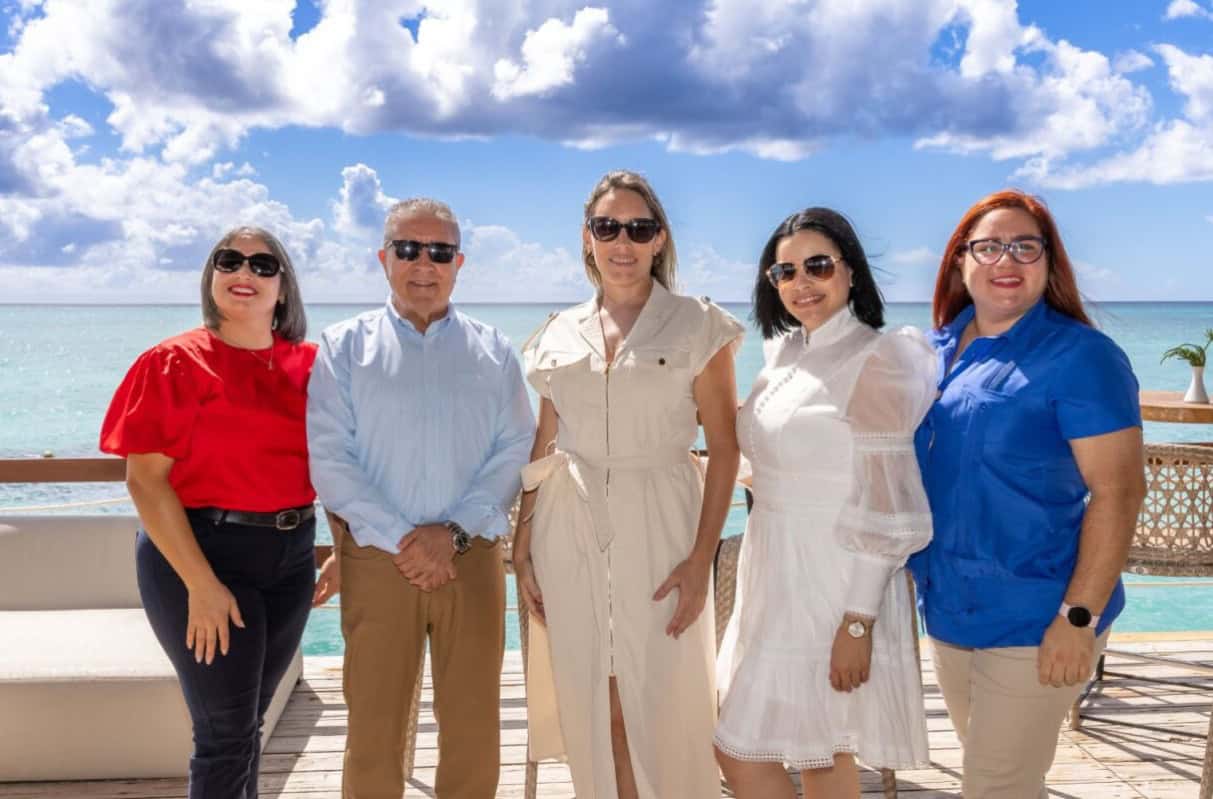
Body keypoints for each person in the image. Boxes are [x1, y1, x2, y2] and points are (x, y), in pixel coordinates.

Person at [512, 170, 743, 798]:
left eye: (638, 229)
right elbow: (544, 443)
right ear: (587, 238)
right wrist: (521, 548)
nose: (622, 241)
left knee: (666, 702)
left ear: (659, 239)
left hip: (663, 523)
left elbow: (724, 448)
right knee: (597, 699)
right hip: (569, 526)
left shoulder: (699, 324)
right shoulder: (559, 330)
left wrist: (702, 559)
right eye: (606, 226)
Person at [908, 189, 1146, 798]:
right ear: (961, 261)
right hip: (948, 611)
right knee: (1004, 781)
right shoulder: (929, 355)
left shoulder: (1082, 357)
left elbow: (1119, 493)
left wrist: (1079, 618)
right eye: (988, 246)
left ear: (1049, 262)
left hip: (1041, 615)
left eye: (1024, 246)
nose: (1005, 260)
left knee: (994, 786)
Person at [306, 197, 535, 798]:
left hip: (473, 556)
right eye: (408, 249)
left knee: (473, 725)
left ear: (459, 263)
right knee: (374, 728)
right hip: (379, 561)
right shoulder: (343, 347)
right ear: (384, 258)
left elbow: (515, 447)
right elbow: (330, 458)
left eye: (439, 251)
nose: (423, 264)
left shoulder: (495, 350)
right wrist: (404, 541)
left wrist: (451, 532)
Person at [713, 208, 936, 798]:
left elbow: (891, 504)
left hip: (834, 582)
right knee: (807, 752)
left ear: (852, 273)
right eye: (784, 271)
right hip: (774, 573)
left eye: (818, 265)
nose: (801, 283)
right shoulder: (783, 355)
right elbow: (782, 467)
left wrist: (858, 623)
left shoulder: (879, 358)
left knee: (792, 753)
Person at [99, 226, 317, 799]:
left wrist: (343, 549)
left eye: (262, 265)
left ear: (284, 288)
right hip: (202, 556)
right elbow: (145, 482)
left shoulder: (312, 365)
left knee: (247, 725)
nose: (244, 273)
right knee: (222, 734)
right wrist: (201, 584)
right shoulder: (173, 362)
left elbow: (344, 462)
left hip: (292, 559)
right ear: (212, 277)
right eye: (230, 261)